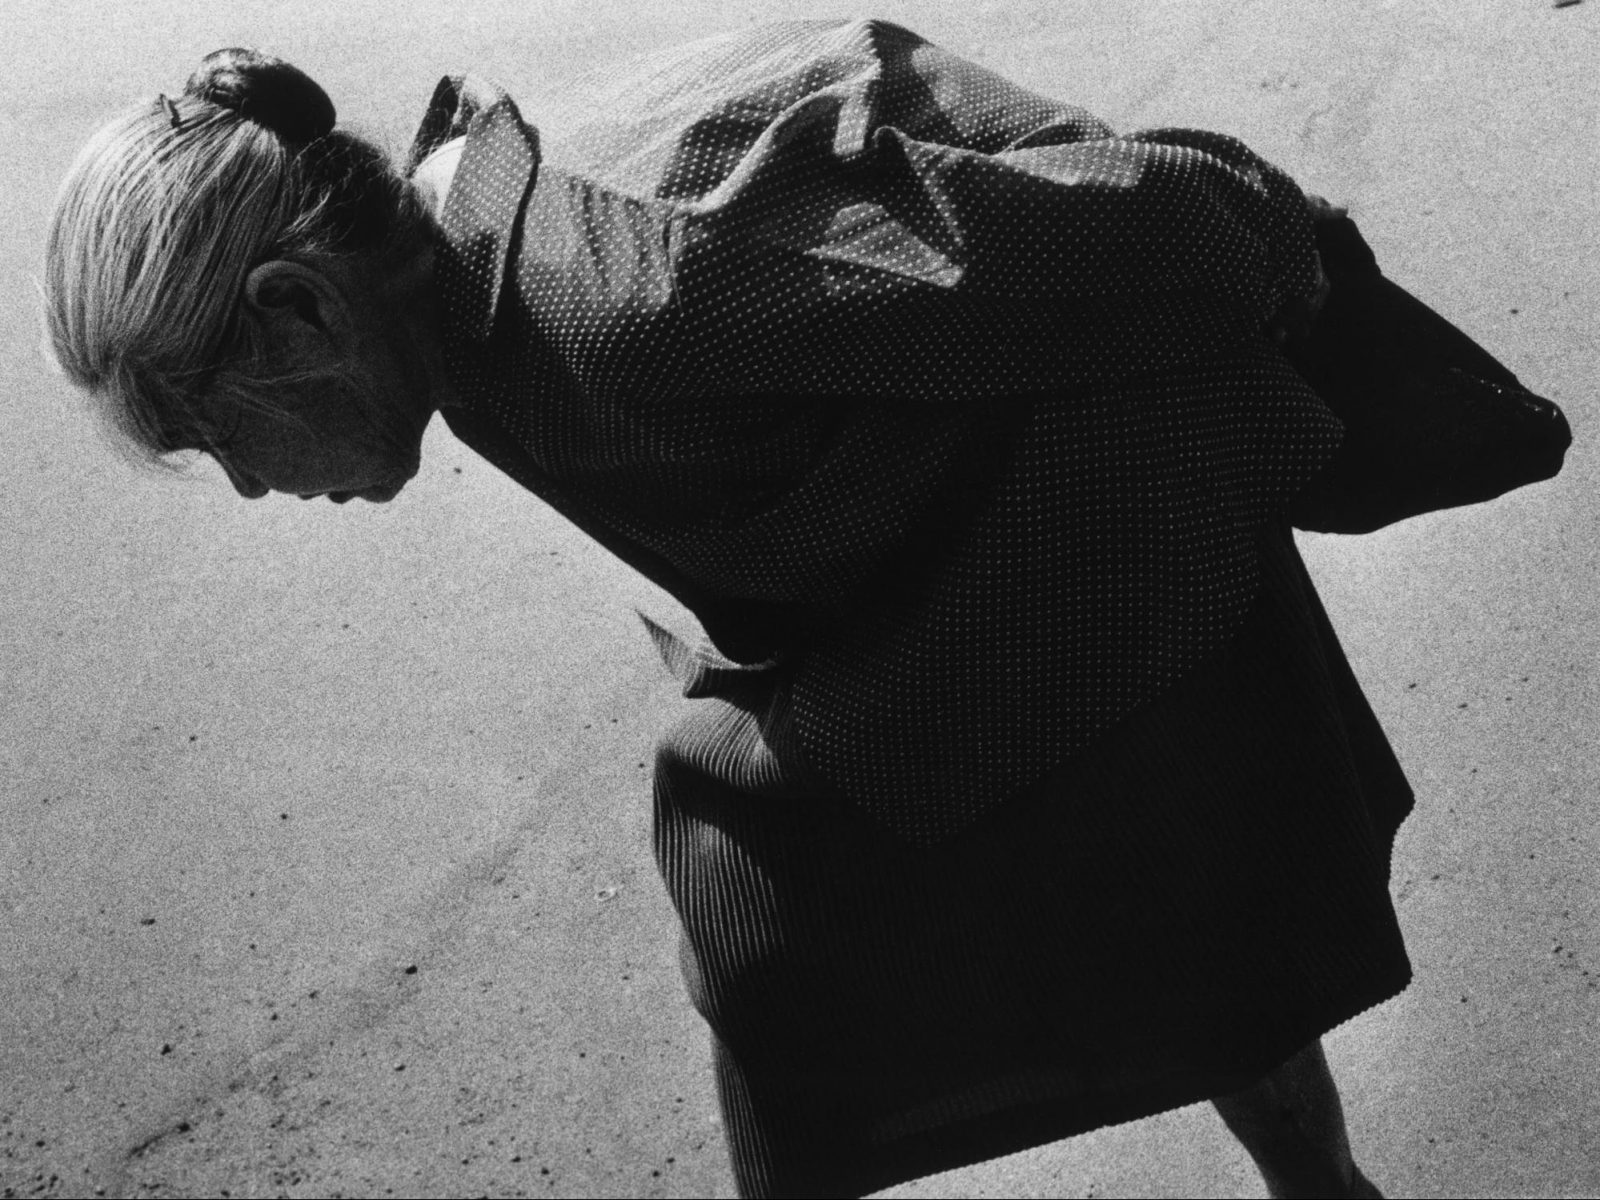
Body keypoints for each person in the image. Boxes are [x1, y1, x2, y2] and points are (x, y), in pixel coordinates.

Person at [43, 19, 1563, 1199]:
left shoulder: (622, 284)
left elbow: (1158, 223)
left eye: (217, 432)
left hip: (1098, 523)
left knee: (1151, 923)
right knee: (811, 935)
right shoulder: (450, 304)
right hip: (923, 577)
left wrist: (1274, 255)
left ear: (298, 310)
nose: (249, 489)